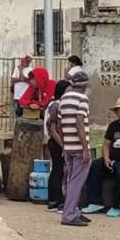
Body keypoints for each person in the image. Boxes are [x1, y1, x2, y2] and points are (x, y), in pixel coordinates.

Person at [82, 97, 120, 218]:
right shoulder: (113, 126)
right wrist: (106, 158)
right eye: (119, 110)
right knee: (94, 166)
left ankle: (117, 206)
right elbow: (106, 144)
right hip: (112, 160)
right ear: (116, 112)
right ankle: (95, 202)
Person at [58, 71, 92, 227]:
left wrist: (64, 145)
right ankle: (69, 215)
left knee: (71, 180)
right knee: (76, 182)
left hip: (68, 146)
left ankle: (73, 210)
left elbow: (59, 125)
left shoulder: (64, 99)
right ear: (85, 85)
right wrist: (85, 149)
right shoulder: (83, 98)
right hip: (79, 147)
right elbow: (79, 122)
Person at [44, 79, 71, 212]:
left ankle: (55, 200)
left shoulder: (59, 104)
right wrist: (63, 145)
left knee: (58, 170)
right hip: (56, 143)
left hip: (59, 142)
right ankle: (55, 201)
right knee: (58, 170)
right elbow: (53, 130)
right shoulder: (56, 105)